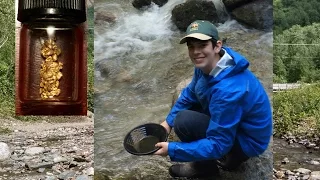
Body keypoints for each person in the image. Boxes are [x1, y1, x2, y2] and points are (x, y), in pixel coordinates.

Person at [153, 20, 272, 178]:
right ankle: (216, 156)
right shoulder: (213, 62)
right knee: (182, 110)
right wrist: (167, 123)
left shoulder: (229, 90)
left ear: (217, 46)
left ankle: (208, 167)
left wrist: (172, 149)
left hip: (247, 141)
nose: (196, 52)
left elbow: (219, 144)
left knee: (183, 121)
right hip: (236, 121)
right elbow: (190, 93)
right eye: (191, 46)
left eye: (202, 45)